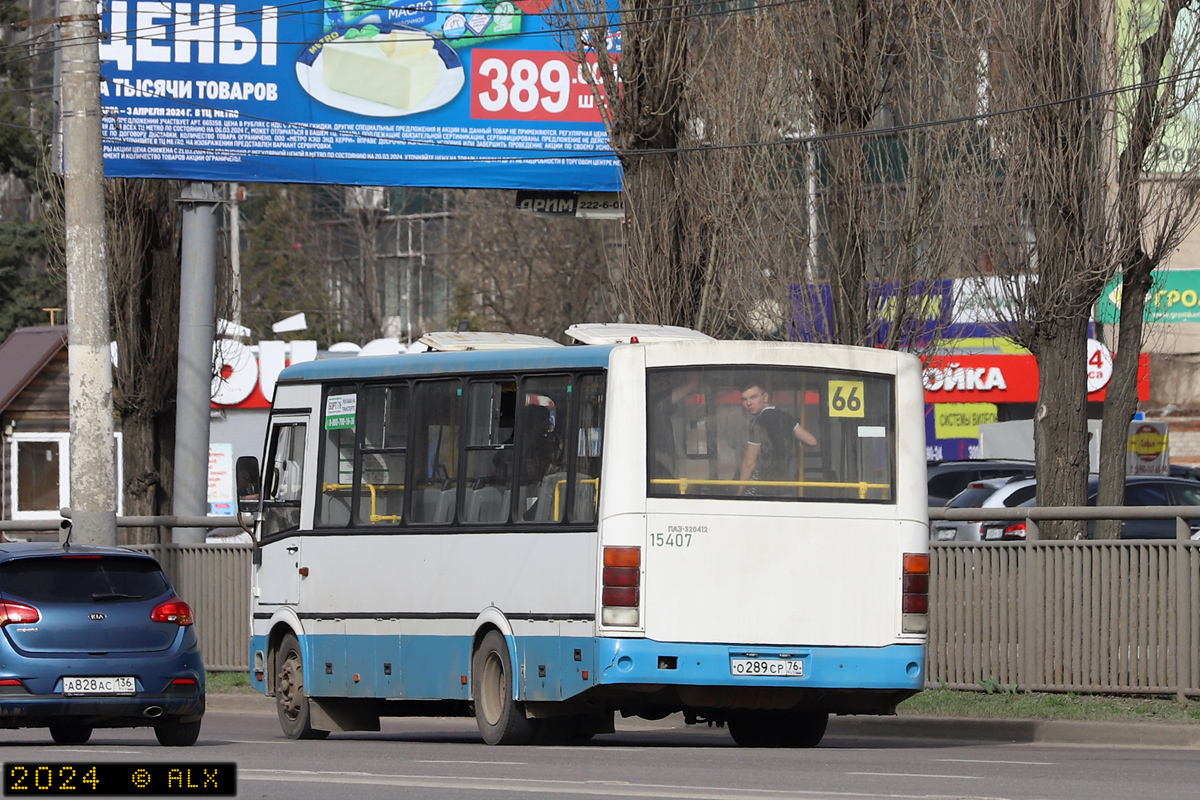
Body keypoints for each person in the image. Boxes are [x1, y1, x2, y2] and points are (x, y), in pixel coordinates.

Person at [736, 380, 817, 497]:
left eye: (753, 397)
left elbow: (749, 463)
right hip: (785, 488)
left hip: (763, 489)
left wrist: (739, 491)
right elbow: (811, 441)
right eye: (744, 399)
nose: (748, 403)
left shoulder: (757, 422)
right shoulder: (786, 417)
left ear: (765, 397)